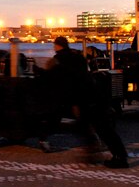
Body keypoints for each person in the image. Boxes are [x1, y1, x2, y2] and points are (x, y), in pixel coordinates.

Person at [47, 36, 129, 168]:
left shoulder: (58, 61)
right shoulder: (78, 57)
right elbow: (84, 75)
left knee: (93, 127)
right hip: (94, 93)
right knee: (101, 127)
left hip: (82, 98)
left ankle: (116, 156)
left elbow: (65, 83)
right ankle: (111, 154)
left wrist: (73, 102)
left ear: (57, 46)